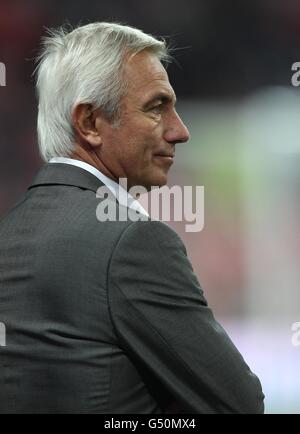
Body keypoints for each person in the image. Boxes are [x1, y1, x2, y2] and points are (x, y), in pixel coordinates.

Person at [0, 22, 264, 414]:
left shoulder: (9, 235)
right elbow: (239, 404)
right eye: (157, 107)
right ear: (89, 123)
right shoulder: (132, 241)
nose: (181, 131)